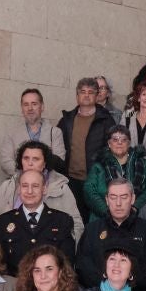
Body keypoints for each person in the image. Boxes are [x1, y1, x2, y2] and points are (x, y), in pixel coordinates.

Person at [74, 178, 146, 291]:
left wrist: (128, 286)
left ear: (132, 199)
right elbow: (83, 267)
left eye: (124, 197)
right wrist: (107, 288)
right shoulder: (92, 230)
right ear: (107, 199)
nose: (118, 203)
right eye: (113, 197)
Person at [0, 139, 83, 233]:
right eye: (26, 158)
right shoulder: (8, 186)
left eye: (36, 159)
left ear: (44, 163)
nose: (30, 163)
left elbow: (76, 225)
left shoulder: (61, 188)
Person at [0, 168, 78, 273]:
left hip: (50, 285)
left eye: (35, 186)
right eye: (25, 186)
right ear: (19, 189)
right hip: (15, 286)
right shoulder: (3, 222)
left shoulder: (62, 221)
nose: (29, 191)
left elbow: (67, 263)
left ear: (44, 189)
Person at [57, 77, 120, 208]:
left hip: (95, 182)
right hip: (69, 181)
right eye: (82, 91)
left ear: (97, 96)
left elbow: (112, 152)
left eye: (91, 92)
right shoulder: (66, 121)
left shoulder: (106, 121)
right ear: (77, 95)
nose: (86, 95)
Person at [83, 126, 146, 220]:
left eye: (124, 140)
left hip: (137, 217)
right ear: (109, 143)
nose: (119, 143)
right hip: (103, 218)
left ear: (129, 143)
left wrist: (135, 206)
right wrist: (106, 211)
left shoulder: (143, 163)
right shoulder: (98, 166)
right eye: (115, 140)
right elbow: (89, 191)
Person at [0, 88, 65, 180]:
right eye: (26, 104)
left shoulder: (55, 132)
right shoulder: (11, 134)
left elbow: (59, 160)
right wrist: (25, 174)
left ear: (42, 107)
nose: (30, 108)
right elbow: (5, 162)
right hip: (19, 184)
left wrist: (39, 176)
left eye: (34, 104)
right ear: (22, 108)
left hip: (48, 185)